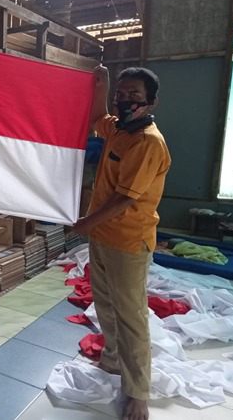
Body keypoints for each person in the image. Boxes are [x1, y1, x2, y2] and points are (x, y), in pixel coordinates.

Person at [73, 65, 171, 420]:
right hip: (103, 236)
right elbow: (98, 115)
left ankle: (138, 392)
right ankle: (113, 358)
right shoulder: (118, 129)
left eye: (134, 96)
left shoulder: (147, 142)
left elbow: (123, 200)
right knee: (105, 304)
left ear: (151, 101)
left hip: (128, 241)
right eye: (122, 94)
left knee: (132, 317)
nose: (126, 101)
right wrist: (103, 84)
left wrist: (84, 223)